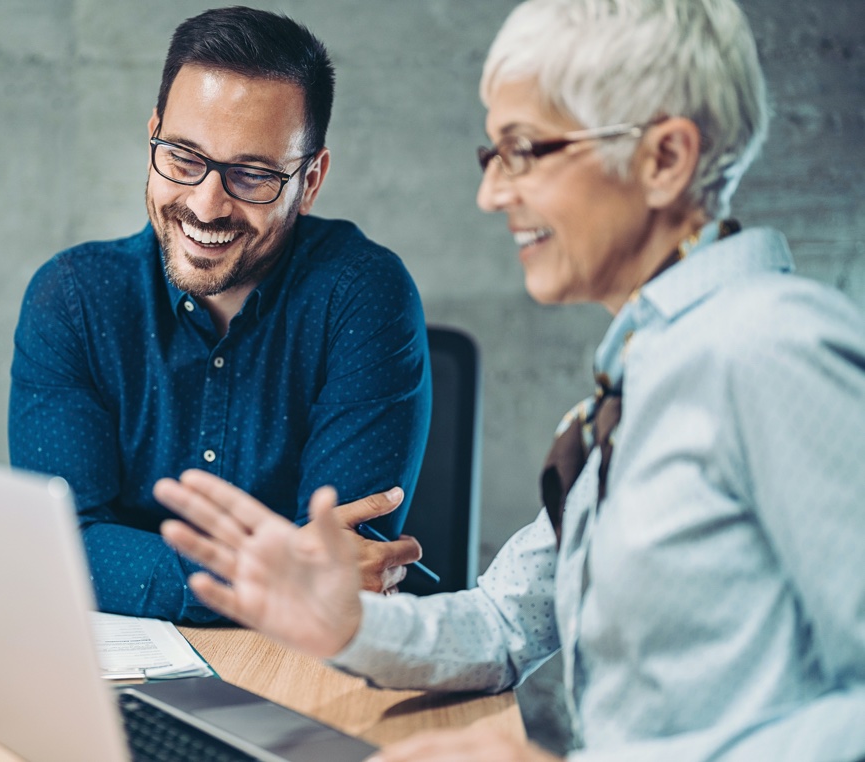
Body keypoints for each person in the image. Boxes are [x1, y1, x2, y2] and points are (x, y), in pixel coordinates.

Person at [153, 0, 865, 758]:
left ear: (665, 159)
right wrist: (348, 623)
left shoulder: (771, 349)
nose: (493, 194)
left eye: (526, 151)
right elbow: (503, 625)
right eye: (494, 155)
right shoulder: (642, 377)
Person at [8, 7, 431, 624]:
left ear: (309, 181)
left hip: (308, 667)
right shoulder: (72, 299)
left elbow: (342, 560)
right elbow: (61, 546)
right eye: (183, 157)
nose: (206, 205)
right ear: (153, 133)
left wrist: (133, 569)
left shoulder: (366, 296)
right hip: (118, 670)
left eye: (252, 174)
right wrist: (276, 576)